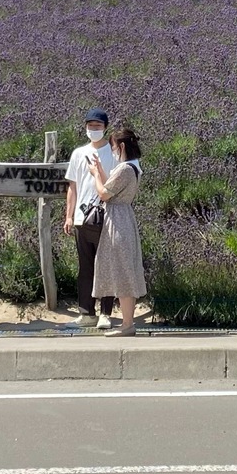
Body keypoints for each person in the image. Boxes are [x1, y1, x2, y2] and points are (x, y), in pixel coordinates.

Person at [63, 108, 118, 327]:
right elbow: (72, 187)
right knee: (85, 267)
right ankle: (87, 312)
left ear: (105, 128)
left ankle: (105, 312)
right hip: (81, 218)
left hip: (106, 216)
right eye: (90, 126)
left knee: (106, 265)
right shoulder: (78, 153)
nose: (93, 130)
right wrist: (69, 216)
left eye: (97, 126)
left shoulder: (113, 153)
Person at [91, 124, 147, 336]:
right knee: (126, 269)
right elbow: (112, 189)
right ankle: (127, 322)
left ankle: (127, 324)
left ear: (121, 146)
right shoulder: (133, 167)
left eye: (114, 146)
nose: (113, 150)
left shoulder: (124, 169)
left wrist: (96, 174)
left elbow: (105, 194)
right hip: (124, 216)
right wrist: (101, 172)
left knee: (123, 271)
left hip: (118, 219)